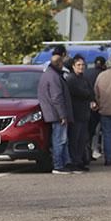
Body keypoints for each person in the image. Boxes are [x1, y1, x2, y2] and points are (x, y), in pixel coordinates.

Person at [38, 45, 75, 173]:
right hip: (56, 114)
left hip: (53, 113)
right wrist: (62, 115)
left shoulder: (48, 74)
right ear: (59, 63)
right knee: (60, 140)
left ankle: (65, 162)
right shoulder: (54, 77)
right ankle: (59, 164)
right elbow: (57, 97)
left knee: (62, 139)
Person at [64, 55, 94, 172]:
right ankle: (74, 161)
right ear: (73, 66)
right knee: (74, 139)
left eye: (83, 65)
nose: (81, 67)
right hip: (75, 114)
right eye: (78, 65)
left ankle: (80, 161)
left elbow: (91, 92)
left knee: (82, 139)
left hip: (84, 113)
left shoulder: (85, 78)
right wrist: (87, 94)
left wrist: (90, 96)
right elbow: (81, 93)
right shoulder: (71, 79)